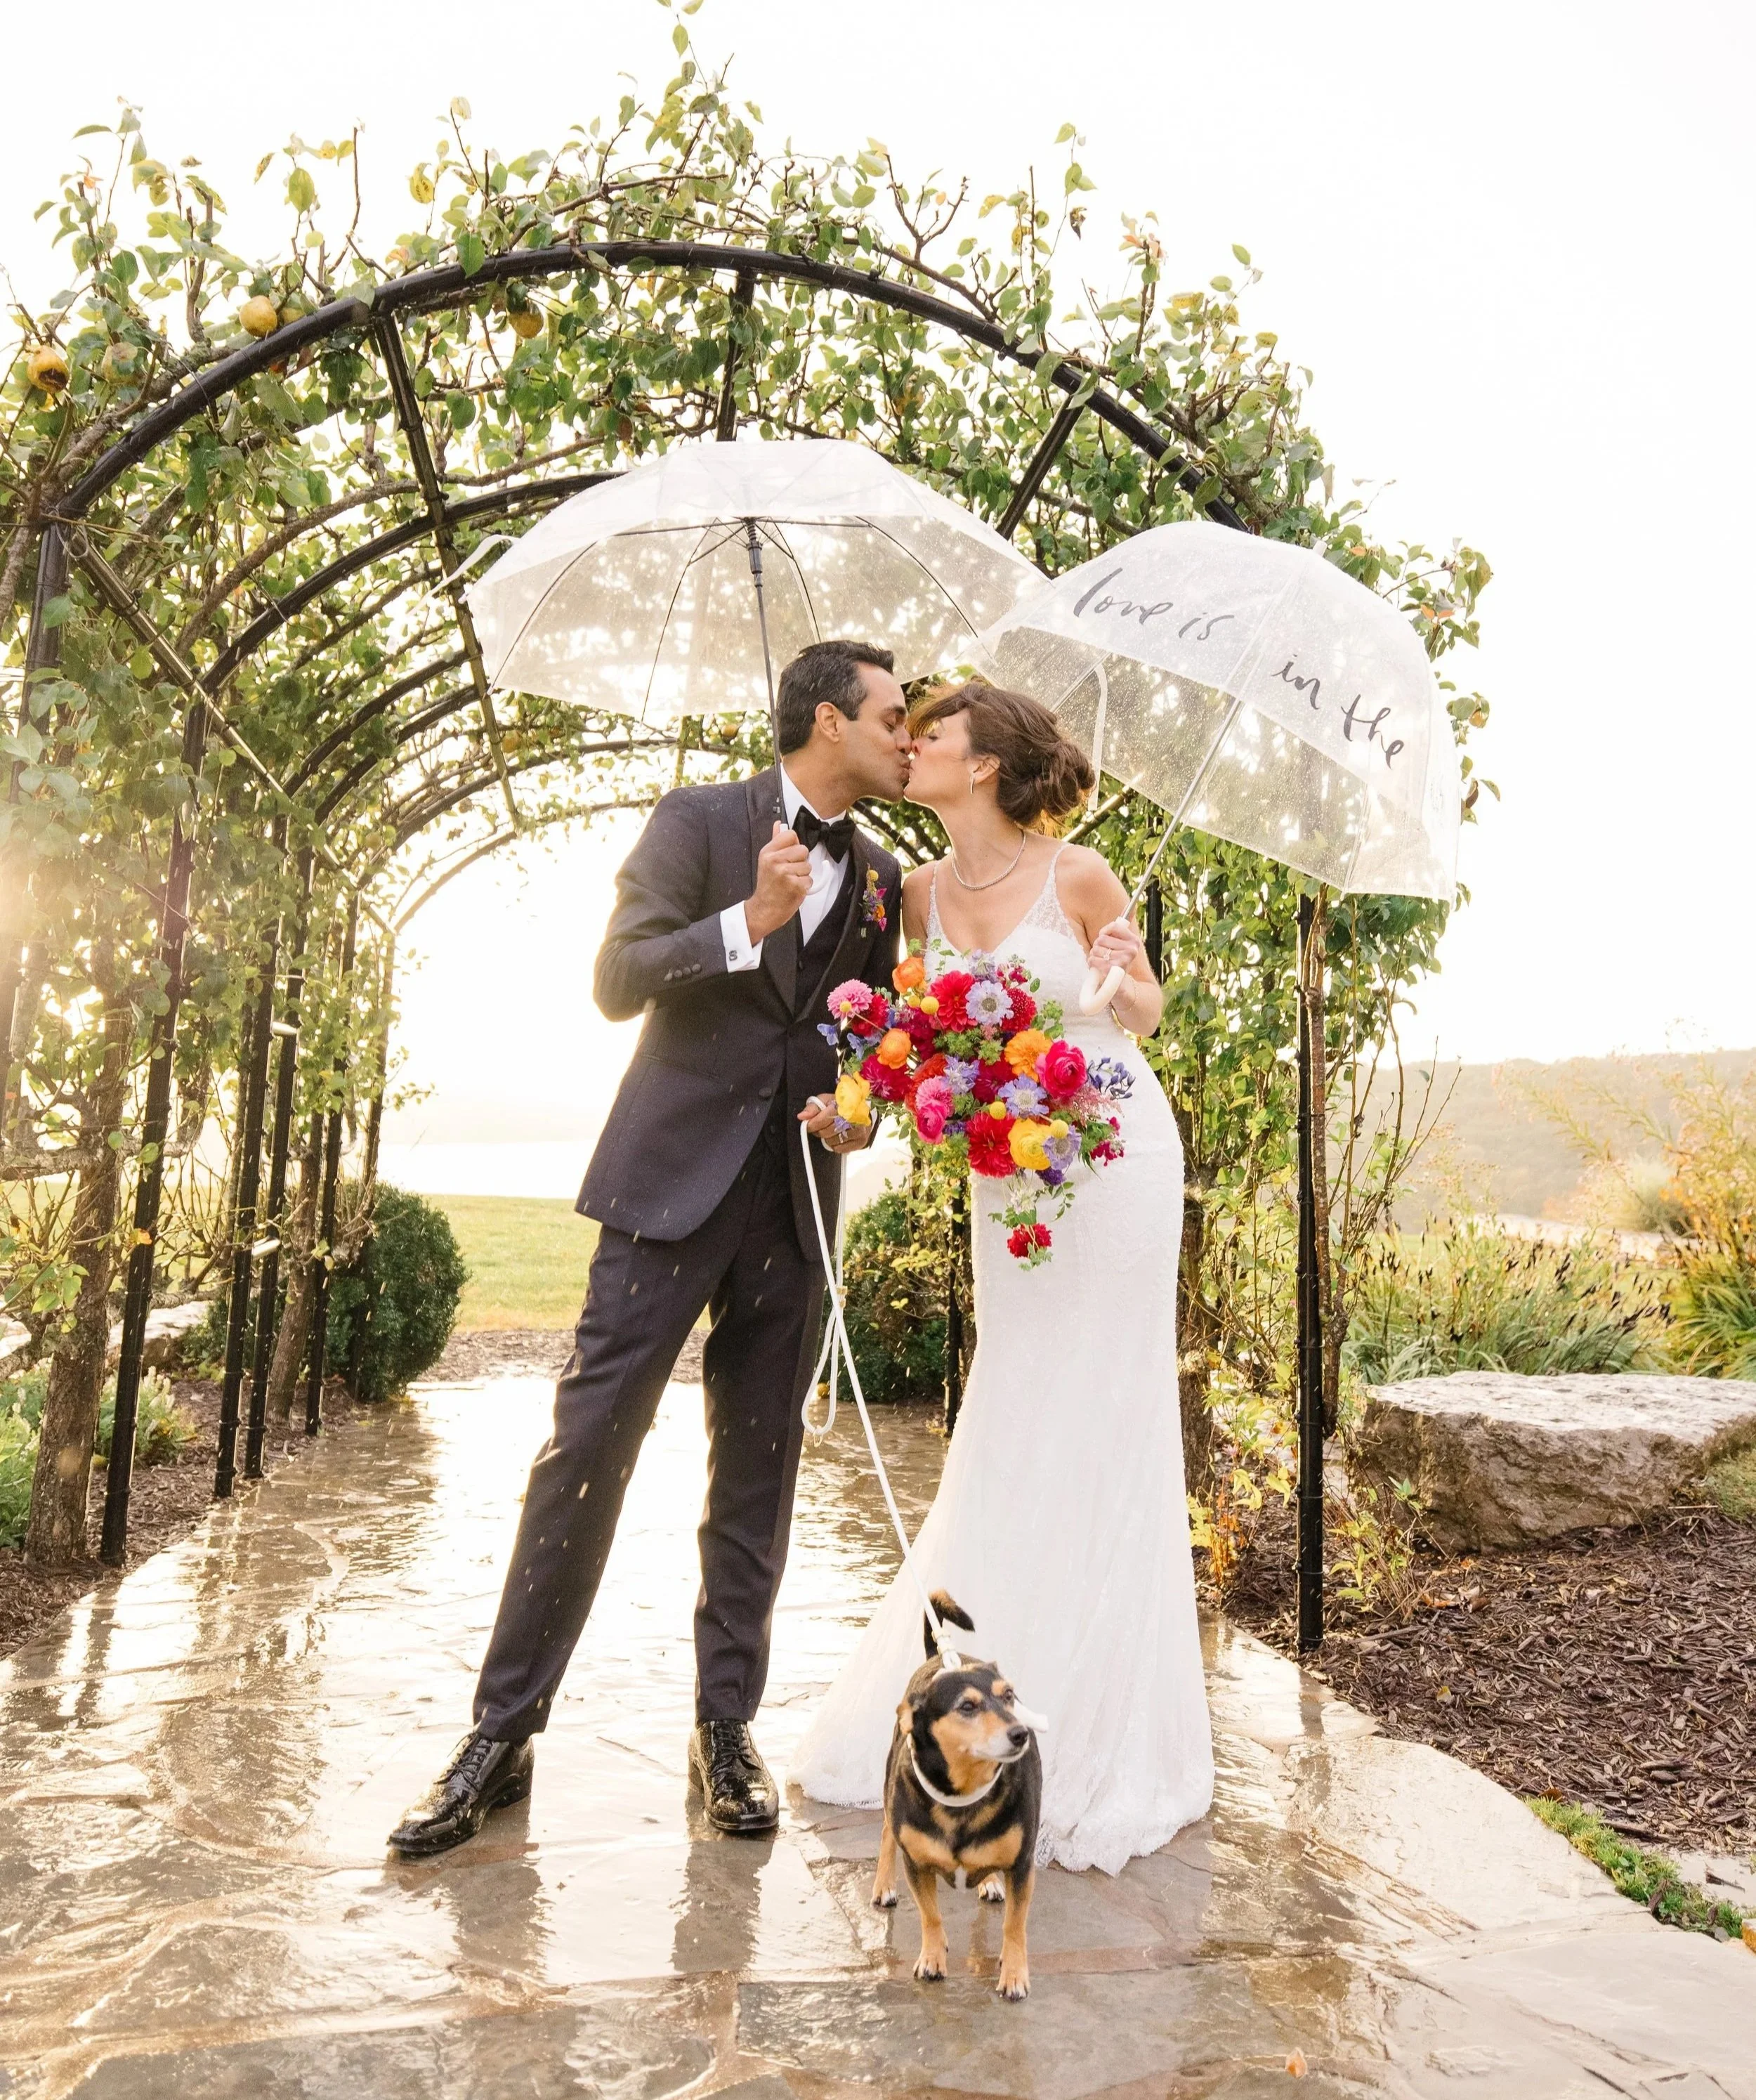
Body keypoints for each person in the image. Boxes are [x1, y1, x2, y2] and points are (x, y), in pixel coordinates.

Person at [389, 639, 910, 1857]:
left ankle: (725, 1729)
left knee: (761, 1466)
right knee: (587, 1449)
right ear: (829, 719)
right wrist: (749, 920)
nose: (906, 733)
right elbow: (616, 981)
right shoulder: (698, 820)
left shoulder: (880, 877)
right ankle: (500, 1733)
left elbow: (873, 1046)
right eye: (891, 715)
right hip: (666, 1190)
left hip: (795, 1199)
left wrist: (863, 1109)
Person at [793, 679, 1214, 1874]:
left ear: (984, 763)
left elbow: (1144, 1013)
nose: (912, 744)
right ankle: (992, 1679)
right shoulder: (913, 894)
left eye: (935, 733)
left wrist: (1127, 973)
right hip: (1007, 1174)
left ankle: (1105, 1717)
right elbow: (899, 1037)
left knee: (1105, 1404)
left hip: (1114, 1150)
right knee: (1017, 1400)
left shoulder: (1079, 875)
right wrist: (858, 1110)